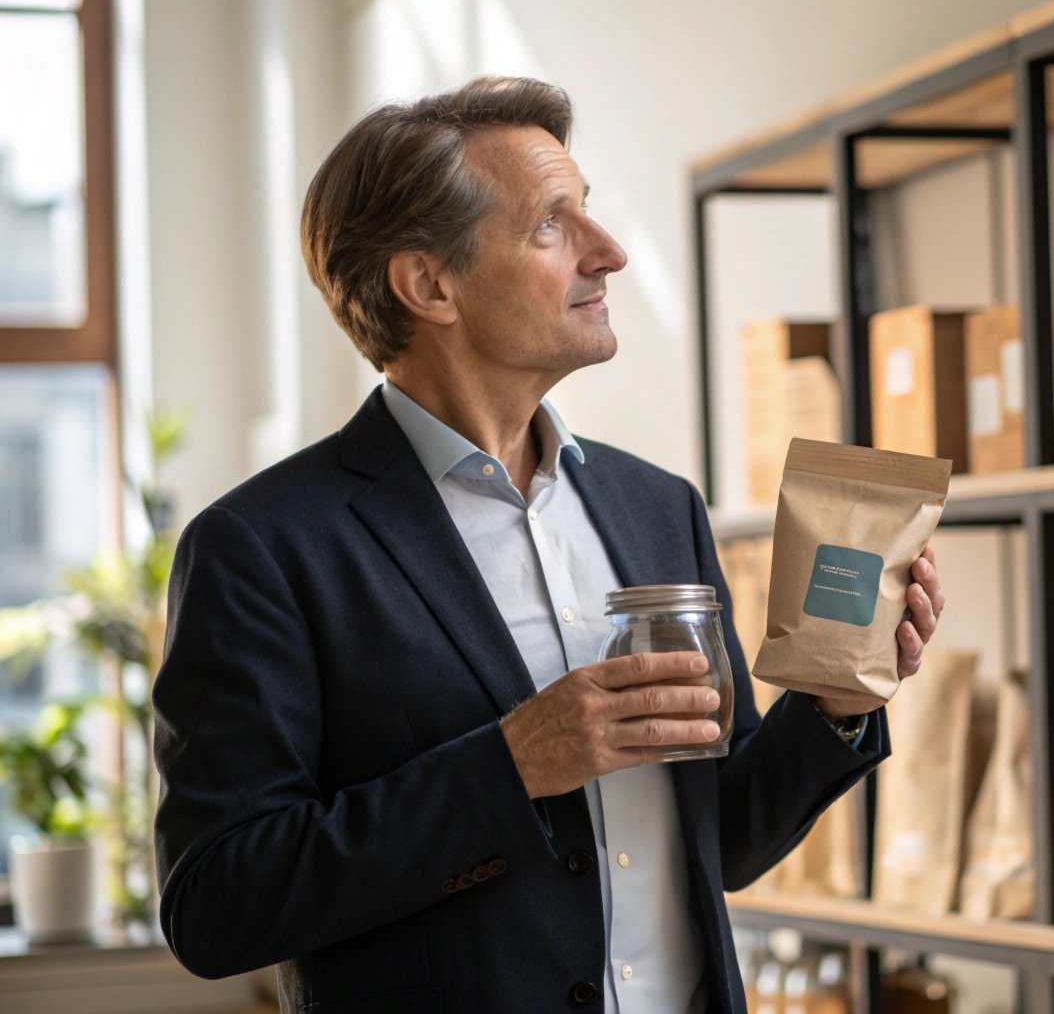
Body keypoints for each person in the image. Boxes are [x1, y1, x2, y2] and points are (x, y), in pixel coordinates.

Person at [152, 76, 945, 1014]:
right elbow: (217, 905)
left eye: (592, 218)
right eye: (552, 226)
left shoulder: (659, 508)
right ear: (429, 284)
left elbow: (716, 840)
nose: (607, 254)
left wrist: (835, 705)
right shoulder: (263, 549)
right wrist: (515, 764)